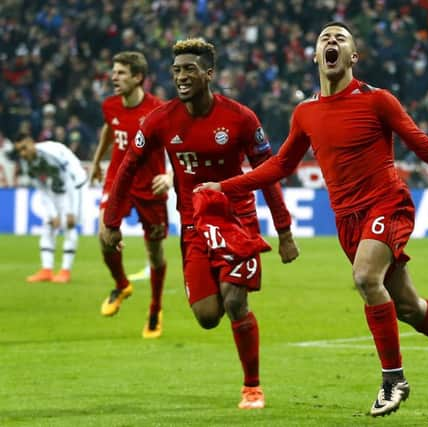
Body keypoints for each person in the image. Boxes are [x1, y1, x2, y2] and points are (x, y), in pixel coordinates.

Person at [196, 22, 428, 417]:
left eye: (340, 38)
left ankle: (393, 380)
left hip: (387, 202)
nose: (330, 41)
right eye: (323, 38)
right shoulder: (305, 113)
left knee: (366, 278)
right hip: (347, 221)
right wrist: (226, 187)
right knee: (408, 306)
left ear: (353, 57)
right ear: (316, 57)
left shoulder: (377, 100)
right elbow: (281, 164)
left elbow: (420, 144)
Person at [101, 38, 299, 409]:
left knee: (235, 301)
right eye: (176, 70)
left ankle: (252, 387)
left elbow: (268, 173)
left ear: (209, 73)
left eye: (189, 69)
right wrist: (111, 221)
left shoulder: (241, 118)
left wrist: (284, 231)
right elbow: (128, 167)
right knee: (208, 317)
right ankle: (225, 298)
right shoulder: (159, 120)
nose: (180, 77)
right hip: (193, 226)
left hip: (238, 221)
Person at [90, 51, 170, 339]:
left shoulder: (158, 110)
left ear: (138, 78)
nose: (114, 77)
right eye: (114, 72)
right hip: (118, 180)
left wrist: (170, 175)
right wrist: (98, 160)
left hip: (150, 185)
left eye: (121, 73)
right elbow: (109, 131)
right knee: (104, 235)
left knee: (155, 253)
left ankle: (155, 307)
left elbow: (177, 141)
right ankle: (122, 284)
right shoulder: (110, 106)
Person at [14, 134, 87, 284]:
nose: (22, 153)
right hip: (55, 187)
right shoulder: (27, 163)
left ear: (31, 143)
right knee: (48, 225)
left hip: (76, 184)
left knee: (69, 225)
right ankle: (46, 270)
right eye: (19, 151)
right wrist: (52, 213)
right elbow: (41, 188)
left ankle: (65, 271)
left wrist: (71, 211)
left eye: (24, 148)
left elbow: (70, 178)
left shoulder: (50, 154)